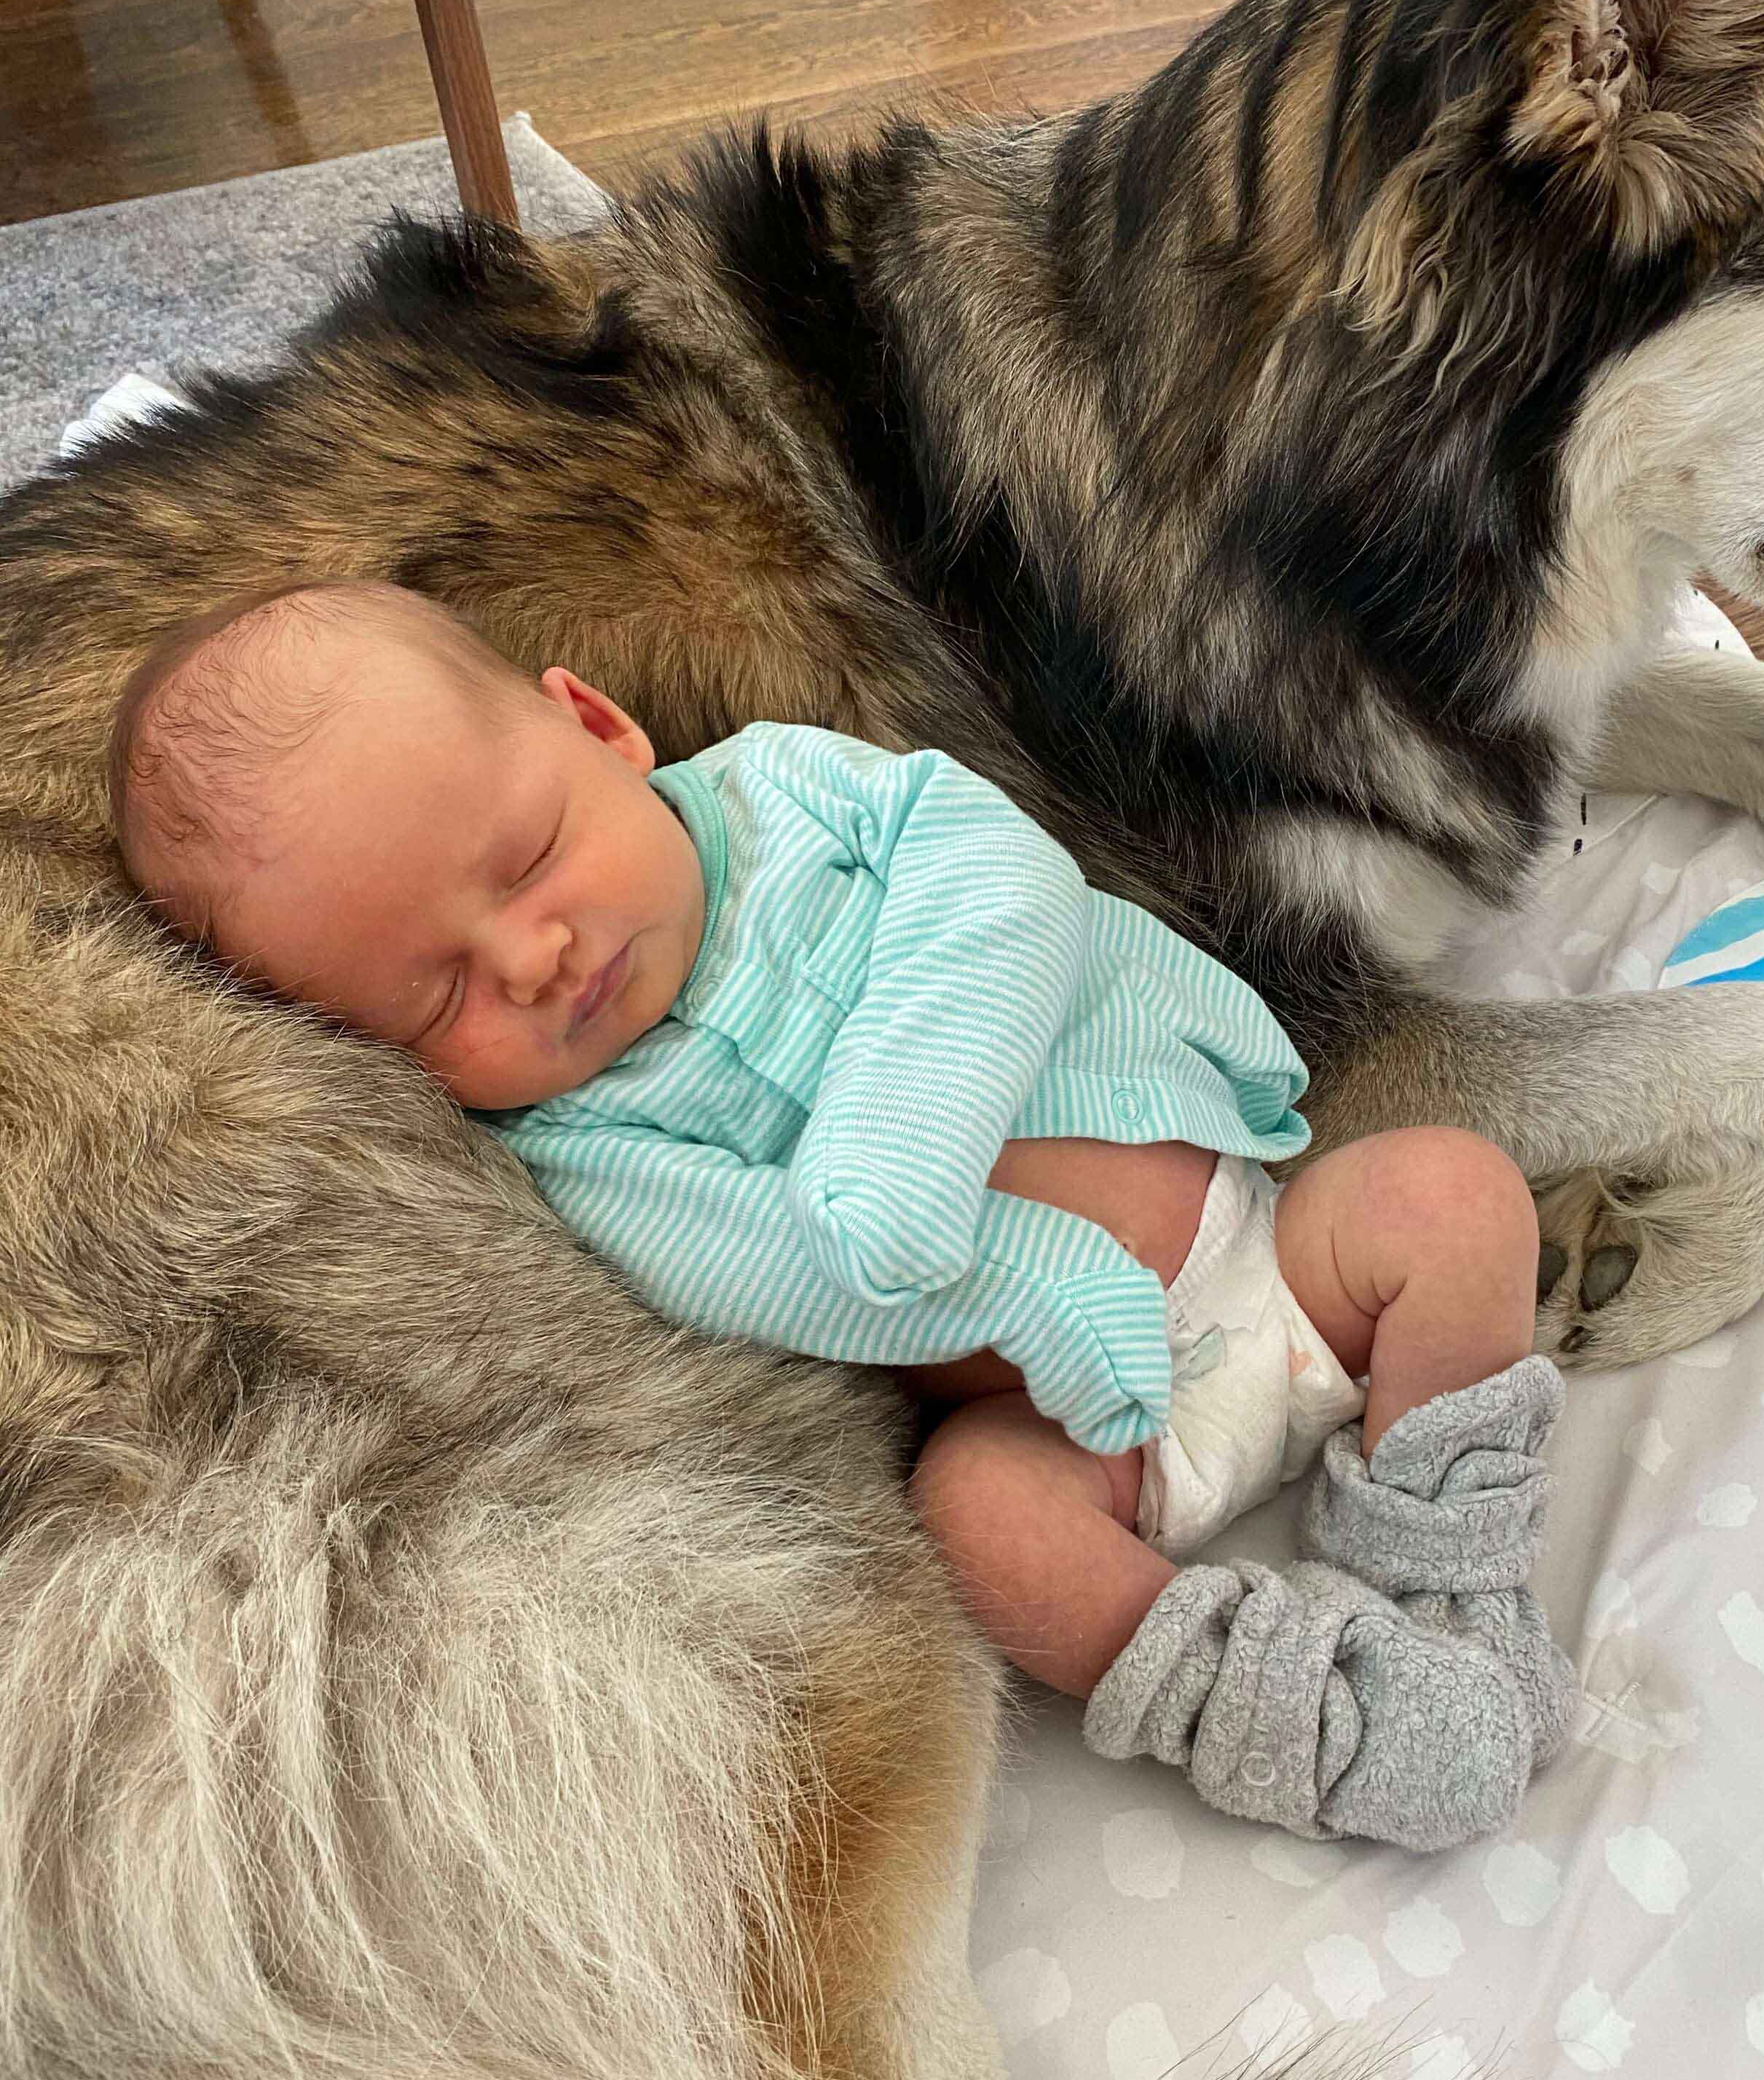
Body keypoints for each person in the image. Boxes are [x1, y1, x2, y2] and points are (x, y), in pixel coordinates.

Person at [109, 582, 1575, 1847]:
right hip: (1082, 1439)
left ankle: (1447, 1584)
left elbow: (1005, 887)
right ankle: (1286, 1707)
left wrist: (901, 1149)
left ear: (601, 729)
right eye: (438, 992)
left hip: (1276, 1256)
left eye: (530, 857)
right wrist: (1014, 1285)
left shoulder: (794, 796)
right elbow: (775, 1274)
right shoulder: (576, 1139)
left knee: (1450, 1198)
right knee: (983, 1533)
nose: (535, 955)